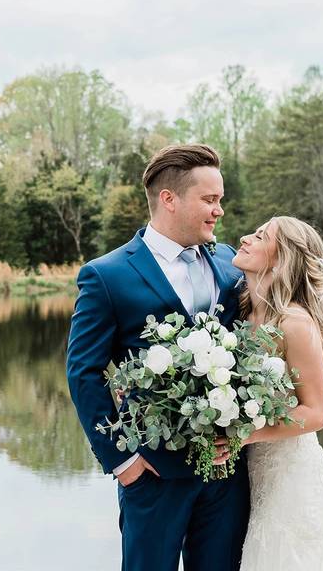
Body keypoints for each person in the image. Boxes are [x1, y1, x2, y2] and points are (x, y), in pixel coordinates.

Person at [67, 144, 249, 571]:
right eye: (210, 200)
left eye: (220, 200)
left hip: (226, 475)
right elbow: (83, 373)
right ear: (169, 199)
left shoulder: (229, 262)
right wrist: (122, 462)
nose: (219, 210)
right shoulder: (107, 275)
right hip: (152, 474)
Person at [232, 216, 323, 571]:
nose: (245, 238)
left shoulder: (294, 323)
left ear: (281, 259)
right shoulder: (244, 310)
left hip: (289, 476)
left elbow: (316, 413)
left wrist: (244, 434)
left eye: (260, 236)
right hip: (252, 473)